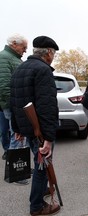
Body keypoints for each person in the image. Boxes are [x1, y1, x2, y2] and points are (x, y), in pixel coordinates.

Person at [10, 36, 60, 215]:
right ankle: (37, 207)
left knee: (42, 164)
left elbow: (13, 102)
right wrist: (48, 138)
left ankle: (41, 191)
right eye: (53, 53)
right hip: (39, 131)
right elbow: (47, 107)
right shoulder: (43, 70)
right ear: (48, 52)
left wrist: (17, 128)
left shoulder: (19, 68)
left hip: (28, 128)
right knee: (42, 165)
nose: (53, 57)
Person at [0, 33, 29, 184]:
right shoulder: (4, 58)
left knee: (18, 136)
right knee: (16, 136)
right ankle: (17, 174)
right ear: (14, 44)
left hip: (16, 105)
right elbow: (4, 87)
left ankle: (20, 169)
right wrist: (14, 105)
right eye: (23, 47)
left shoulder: (13, 58)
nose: (25, 51)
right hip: (13, 105)